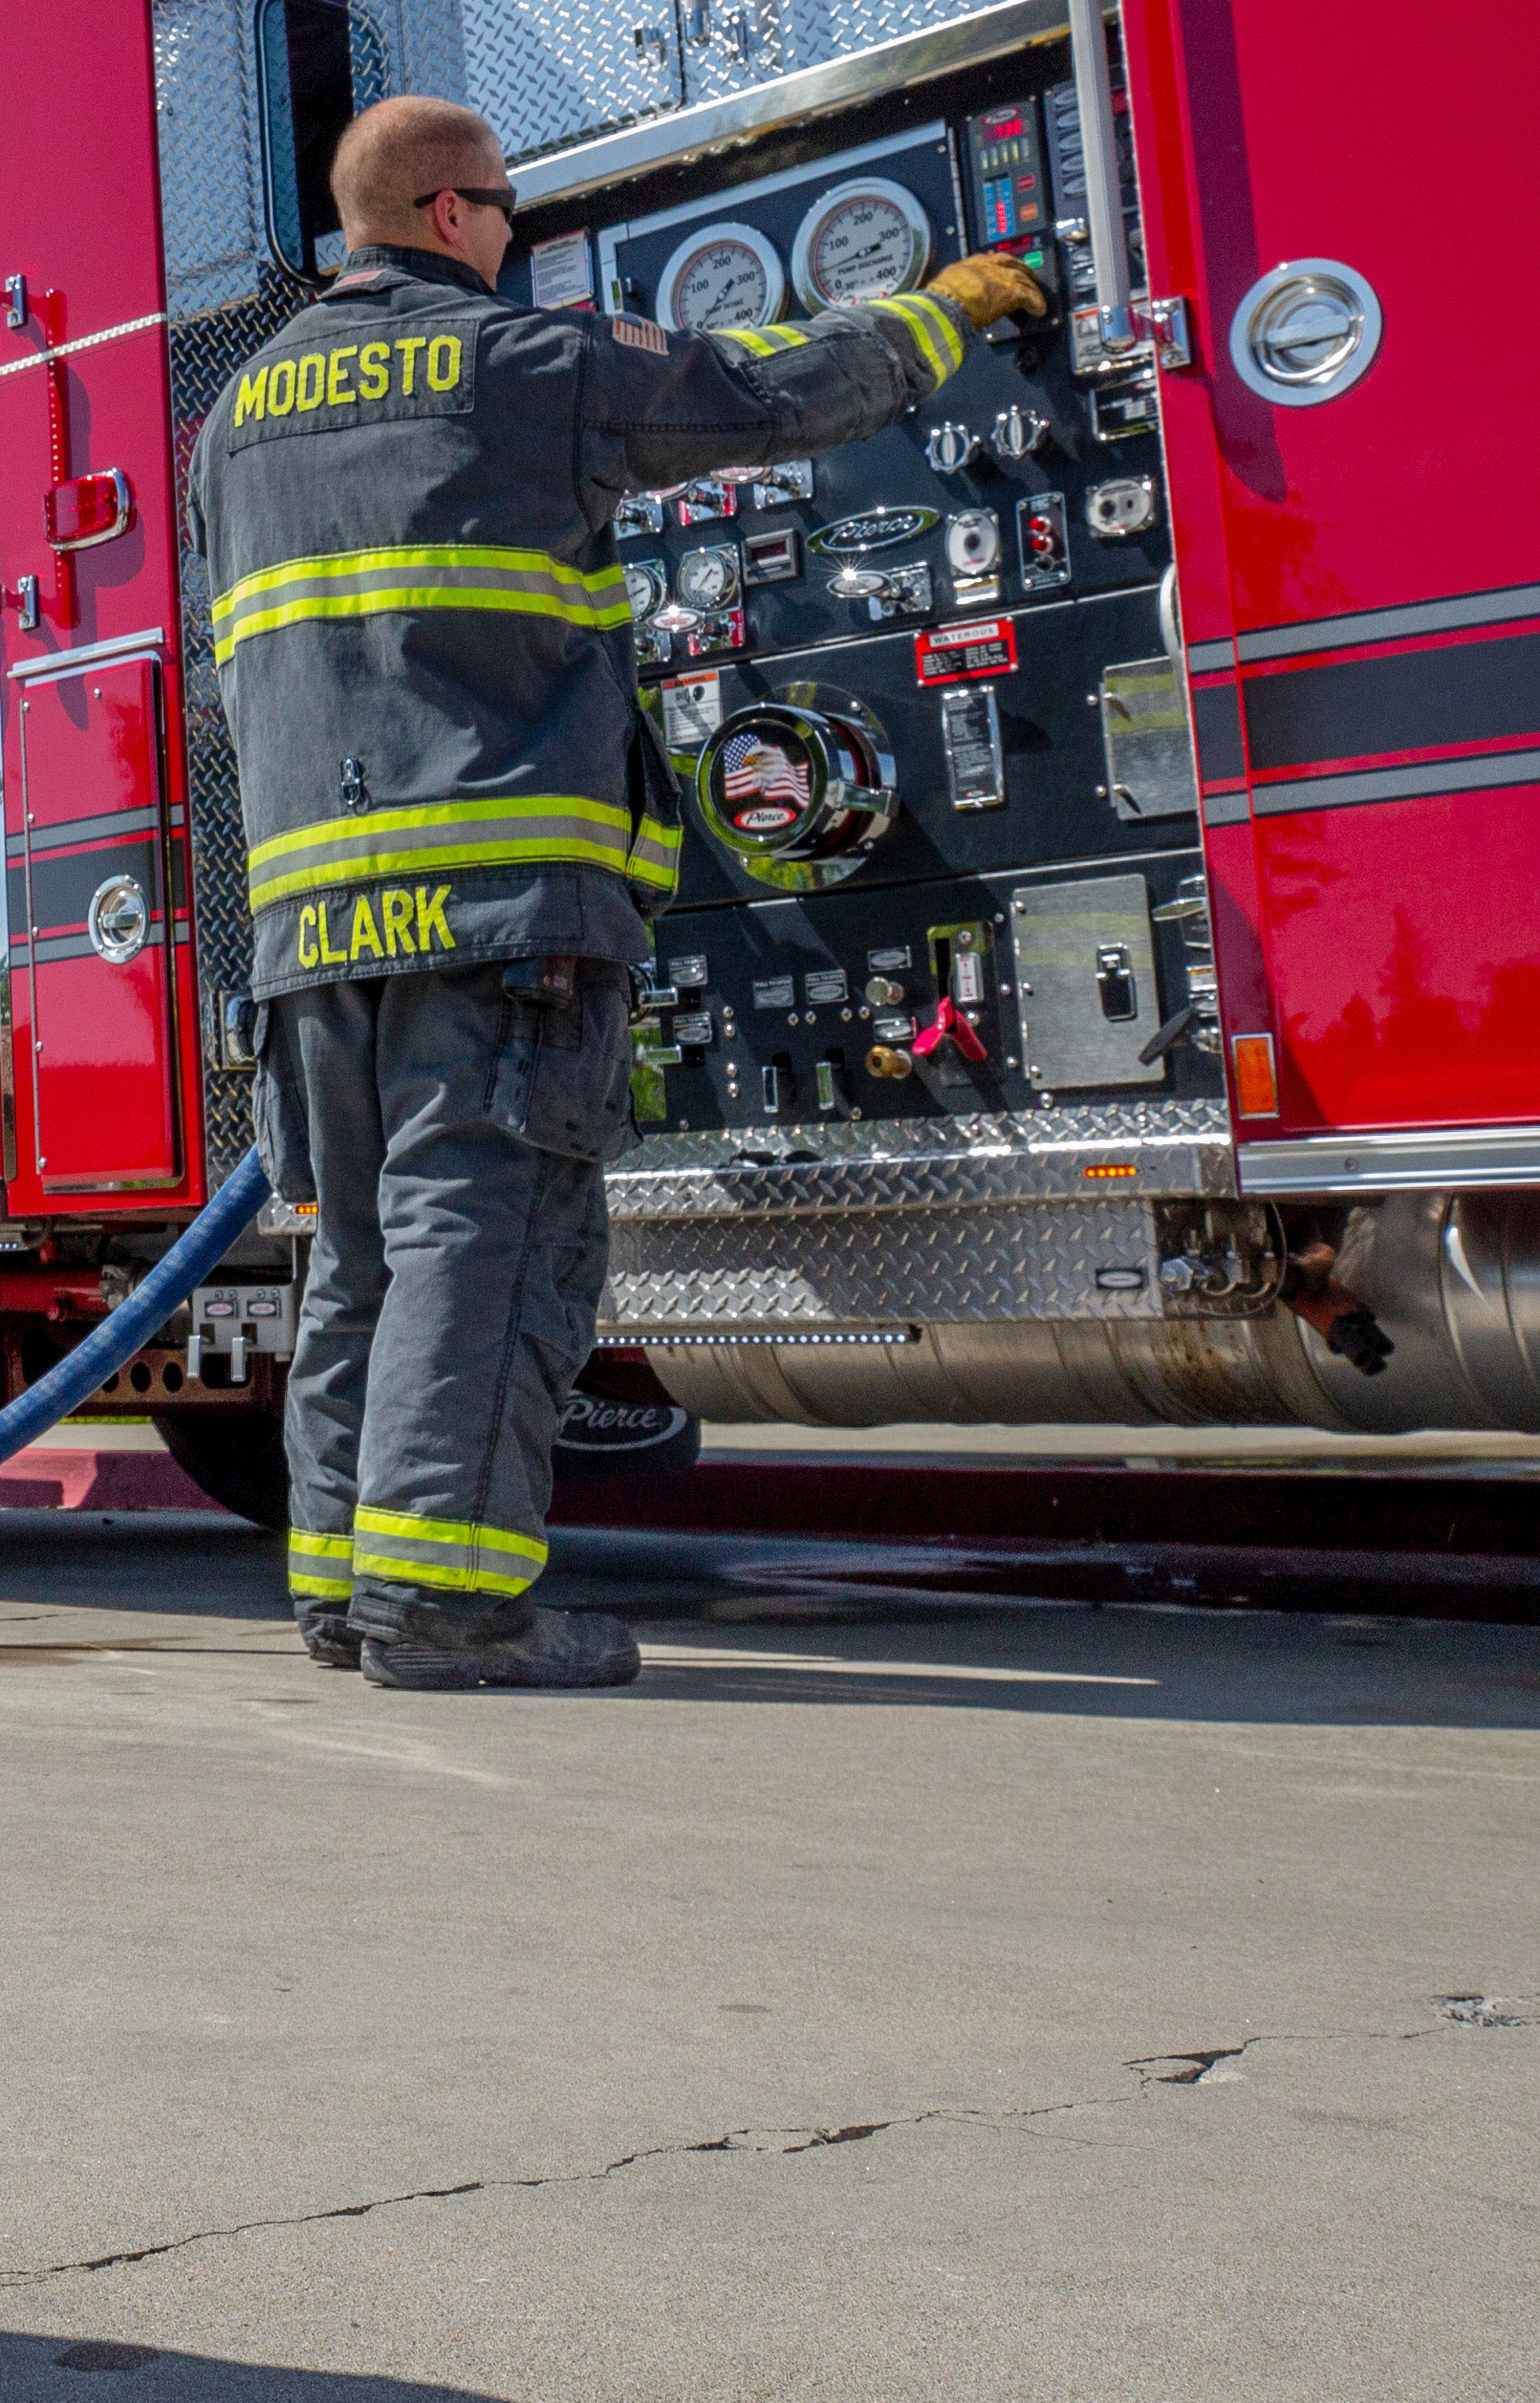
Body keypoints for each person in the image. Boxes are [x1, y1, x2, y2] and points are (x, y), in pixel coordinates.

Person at [189, 94, 1043, 1693]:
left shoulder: (232, 416)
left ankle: (338, 1590)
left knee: (362, 1255)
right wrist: (949, 307)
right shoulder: (524, 363)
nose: (513, 235)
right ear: (449, 214)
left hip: (309, 927)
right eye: (505, 209)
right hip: (499, 907)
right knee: (483, 1246)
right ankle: (446, 1610)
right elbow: (770, 396)